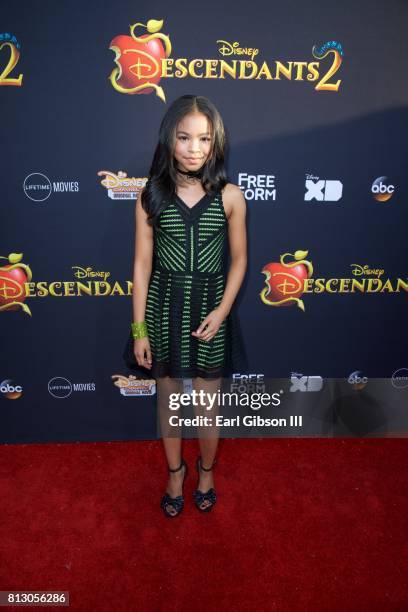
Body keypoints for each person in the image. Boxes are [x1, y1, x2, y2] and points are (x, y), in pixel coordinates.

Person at [130, 94, 248, 517]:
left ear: (215, 143)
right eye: (184, 137)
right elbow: (142, 266)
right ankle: (175, 472)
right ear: (169, 139)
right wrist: (139, 329)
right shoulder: (150, 196)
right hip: (163, 310)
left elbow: (240, 261)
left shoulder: (230, 196)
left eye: (204, 138)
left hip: (211, 313)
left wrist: (223, 311)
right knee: (168, 400)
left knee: (207, 404)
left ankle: (208, 470)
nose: (194, 148)